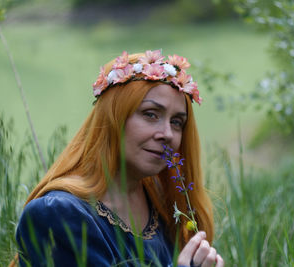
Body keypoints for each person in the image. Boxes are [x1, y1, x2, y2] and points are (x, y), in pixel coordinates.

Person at [12, 50, 224, 267]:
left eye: (177, 122)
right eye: (150, 114)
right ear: (114, 117)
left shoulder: (166, 205)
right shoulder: (56, 213)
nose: (167, 134)